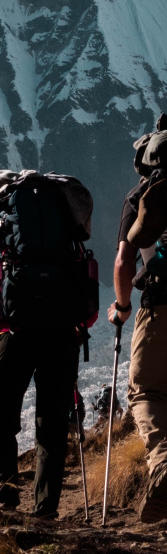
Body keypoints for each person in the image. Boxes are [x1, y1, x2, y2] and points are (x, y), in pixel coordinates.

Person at [0, 169, 96, 518]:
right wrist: (75, 327)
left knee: (1, 421)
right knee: (51, 425)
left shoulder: (7, 239)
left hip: (14, 334)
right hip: (62, 334)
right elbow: (85, 290)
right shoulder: (65, 239)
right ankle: (45, 510)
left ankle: (5, 501)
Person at [108, 115, 167, 523]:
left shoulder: (142, 195)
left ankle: (164, 463)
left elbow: (124, 260)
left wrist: (124, 306)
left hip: (162, 302)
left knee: (144, 391)